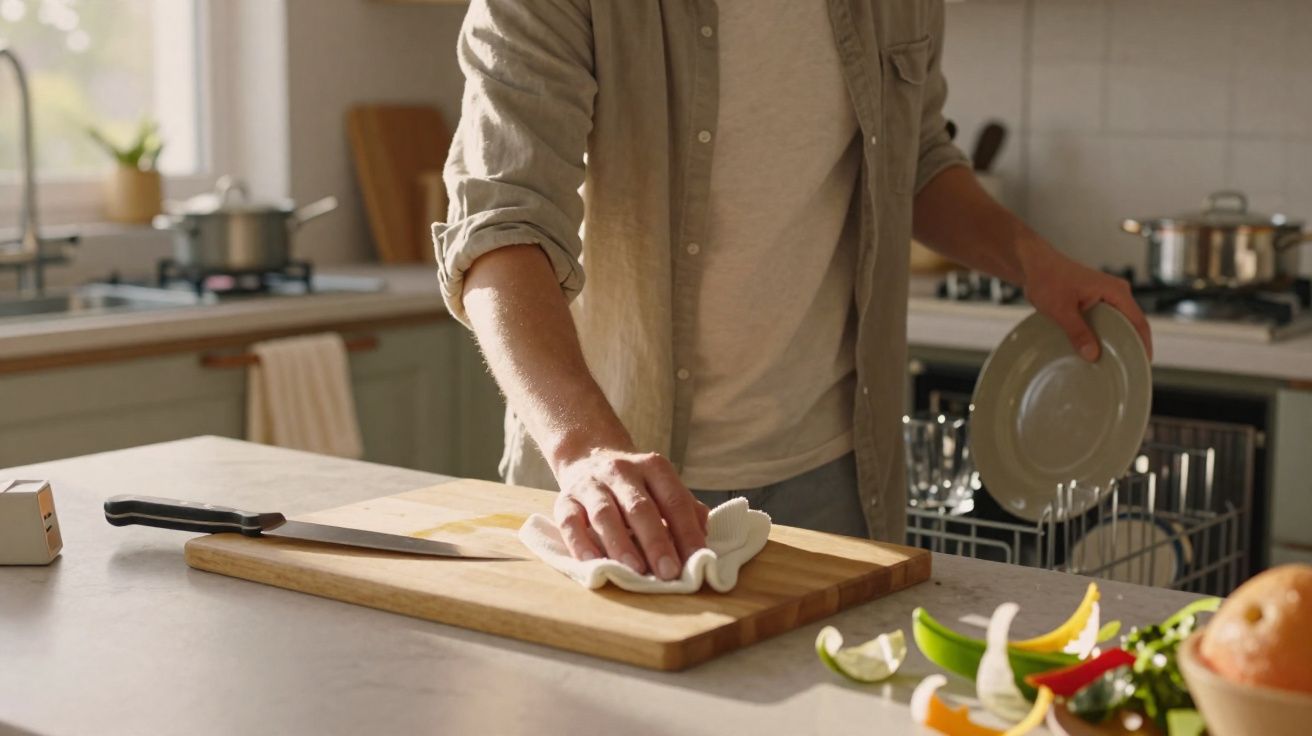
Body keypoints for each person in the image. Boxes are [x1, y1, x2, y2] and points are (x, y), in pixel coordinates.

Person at [434, 0, 1153, 581]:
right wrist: (587, 449)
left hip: (837, 482)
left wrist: (1034, 260)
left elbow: (916, 157)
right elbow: (502, 230)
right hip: (612, 494)